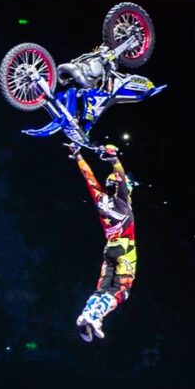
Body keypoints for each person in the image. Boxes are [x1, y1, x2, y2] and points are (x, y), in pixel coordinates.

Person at [67, 143, 136, 341]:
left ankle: (88, 314)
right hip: (125, 249)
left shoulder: (100, 200)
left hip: (111, 248)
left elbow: (89, 177)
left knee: (104, 288)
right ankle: (95, 316)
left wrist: (79, 156)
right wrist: (114, 159)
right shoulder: (122, 201)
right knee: (122, 290)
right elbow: (120, 175)